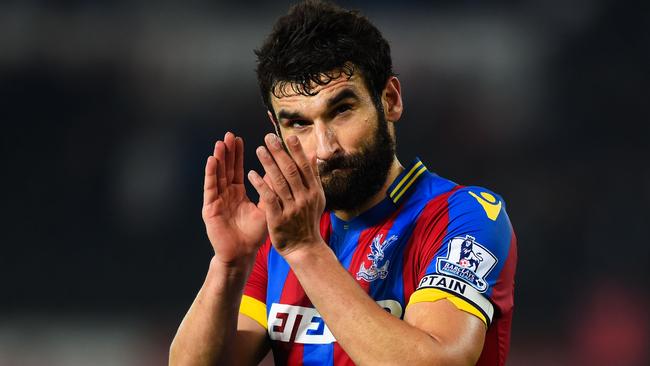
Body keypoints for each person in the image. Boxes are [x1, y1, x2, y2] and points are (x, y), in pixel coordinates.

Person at [169, 1, 517, 365]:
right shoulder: (279, 235)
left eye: (342, 110)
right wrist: (230, 263)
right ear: (276, 128)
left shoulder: (464, 217)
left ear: (390, 100)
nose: (324, 148)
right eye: (298, 124)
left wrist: (307, 251)